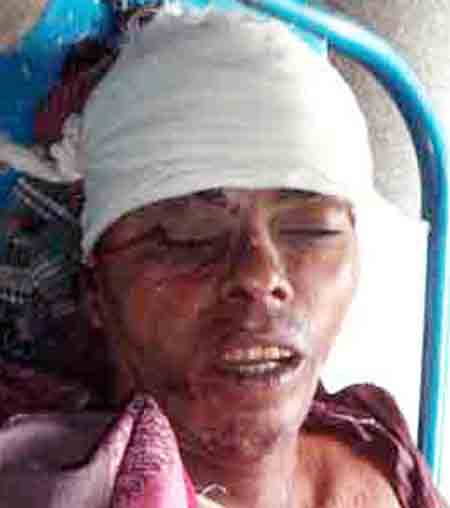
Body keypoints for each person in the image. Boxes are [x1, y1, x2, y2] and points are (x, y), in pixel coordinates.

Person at [0, 5, 446, 507]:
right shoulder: (38, 480)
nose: (261, 274)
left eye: (311, 229)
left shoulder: (380, 456)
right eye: (187, 235)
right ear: (96, 291)